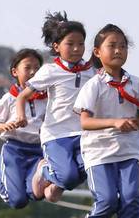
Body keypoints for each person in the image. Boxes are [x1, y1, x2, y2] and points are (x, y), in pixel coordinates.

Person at [74, 24, 139, 218]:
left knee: (131, 200)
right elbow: (84, 122)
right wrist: (114, 122)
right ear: (97, 51)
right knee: (106, 201)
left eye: (123, 45)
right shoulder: (93, 86)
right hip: (98, 154)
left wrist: (136, 122)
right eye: (112, 45)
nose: (118, 50)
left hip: (128, 152)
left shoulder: (137, 84)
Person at [16, 11, 94, 203]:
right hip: (57, 135)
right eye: (70, 44)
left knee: (95, 164)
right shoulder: (50, 70)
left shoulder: (91, 70)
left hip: (84, 133)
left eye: (81, 44)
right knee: (69, 176)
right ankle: (44, 170)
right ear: (56, 46)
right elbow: (22, 96)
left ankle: (57, 185)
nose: (76, 49)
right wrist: (20, 116)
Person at [0, 49, 47, 208]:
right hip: (15, 150)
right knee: (17, 201)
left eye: (37, 68)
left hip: (39, 150)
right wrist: (5, 125)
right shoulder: (9, 98)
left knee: (36, 193)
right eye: (28, 68)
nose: (33, 72)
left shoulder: (47, 98)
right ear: (15, 71)